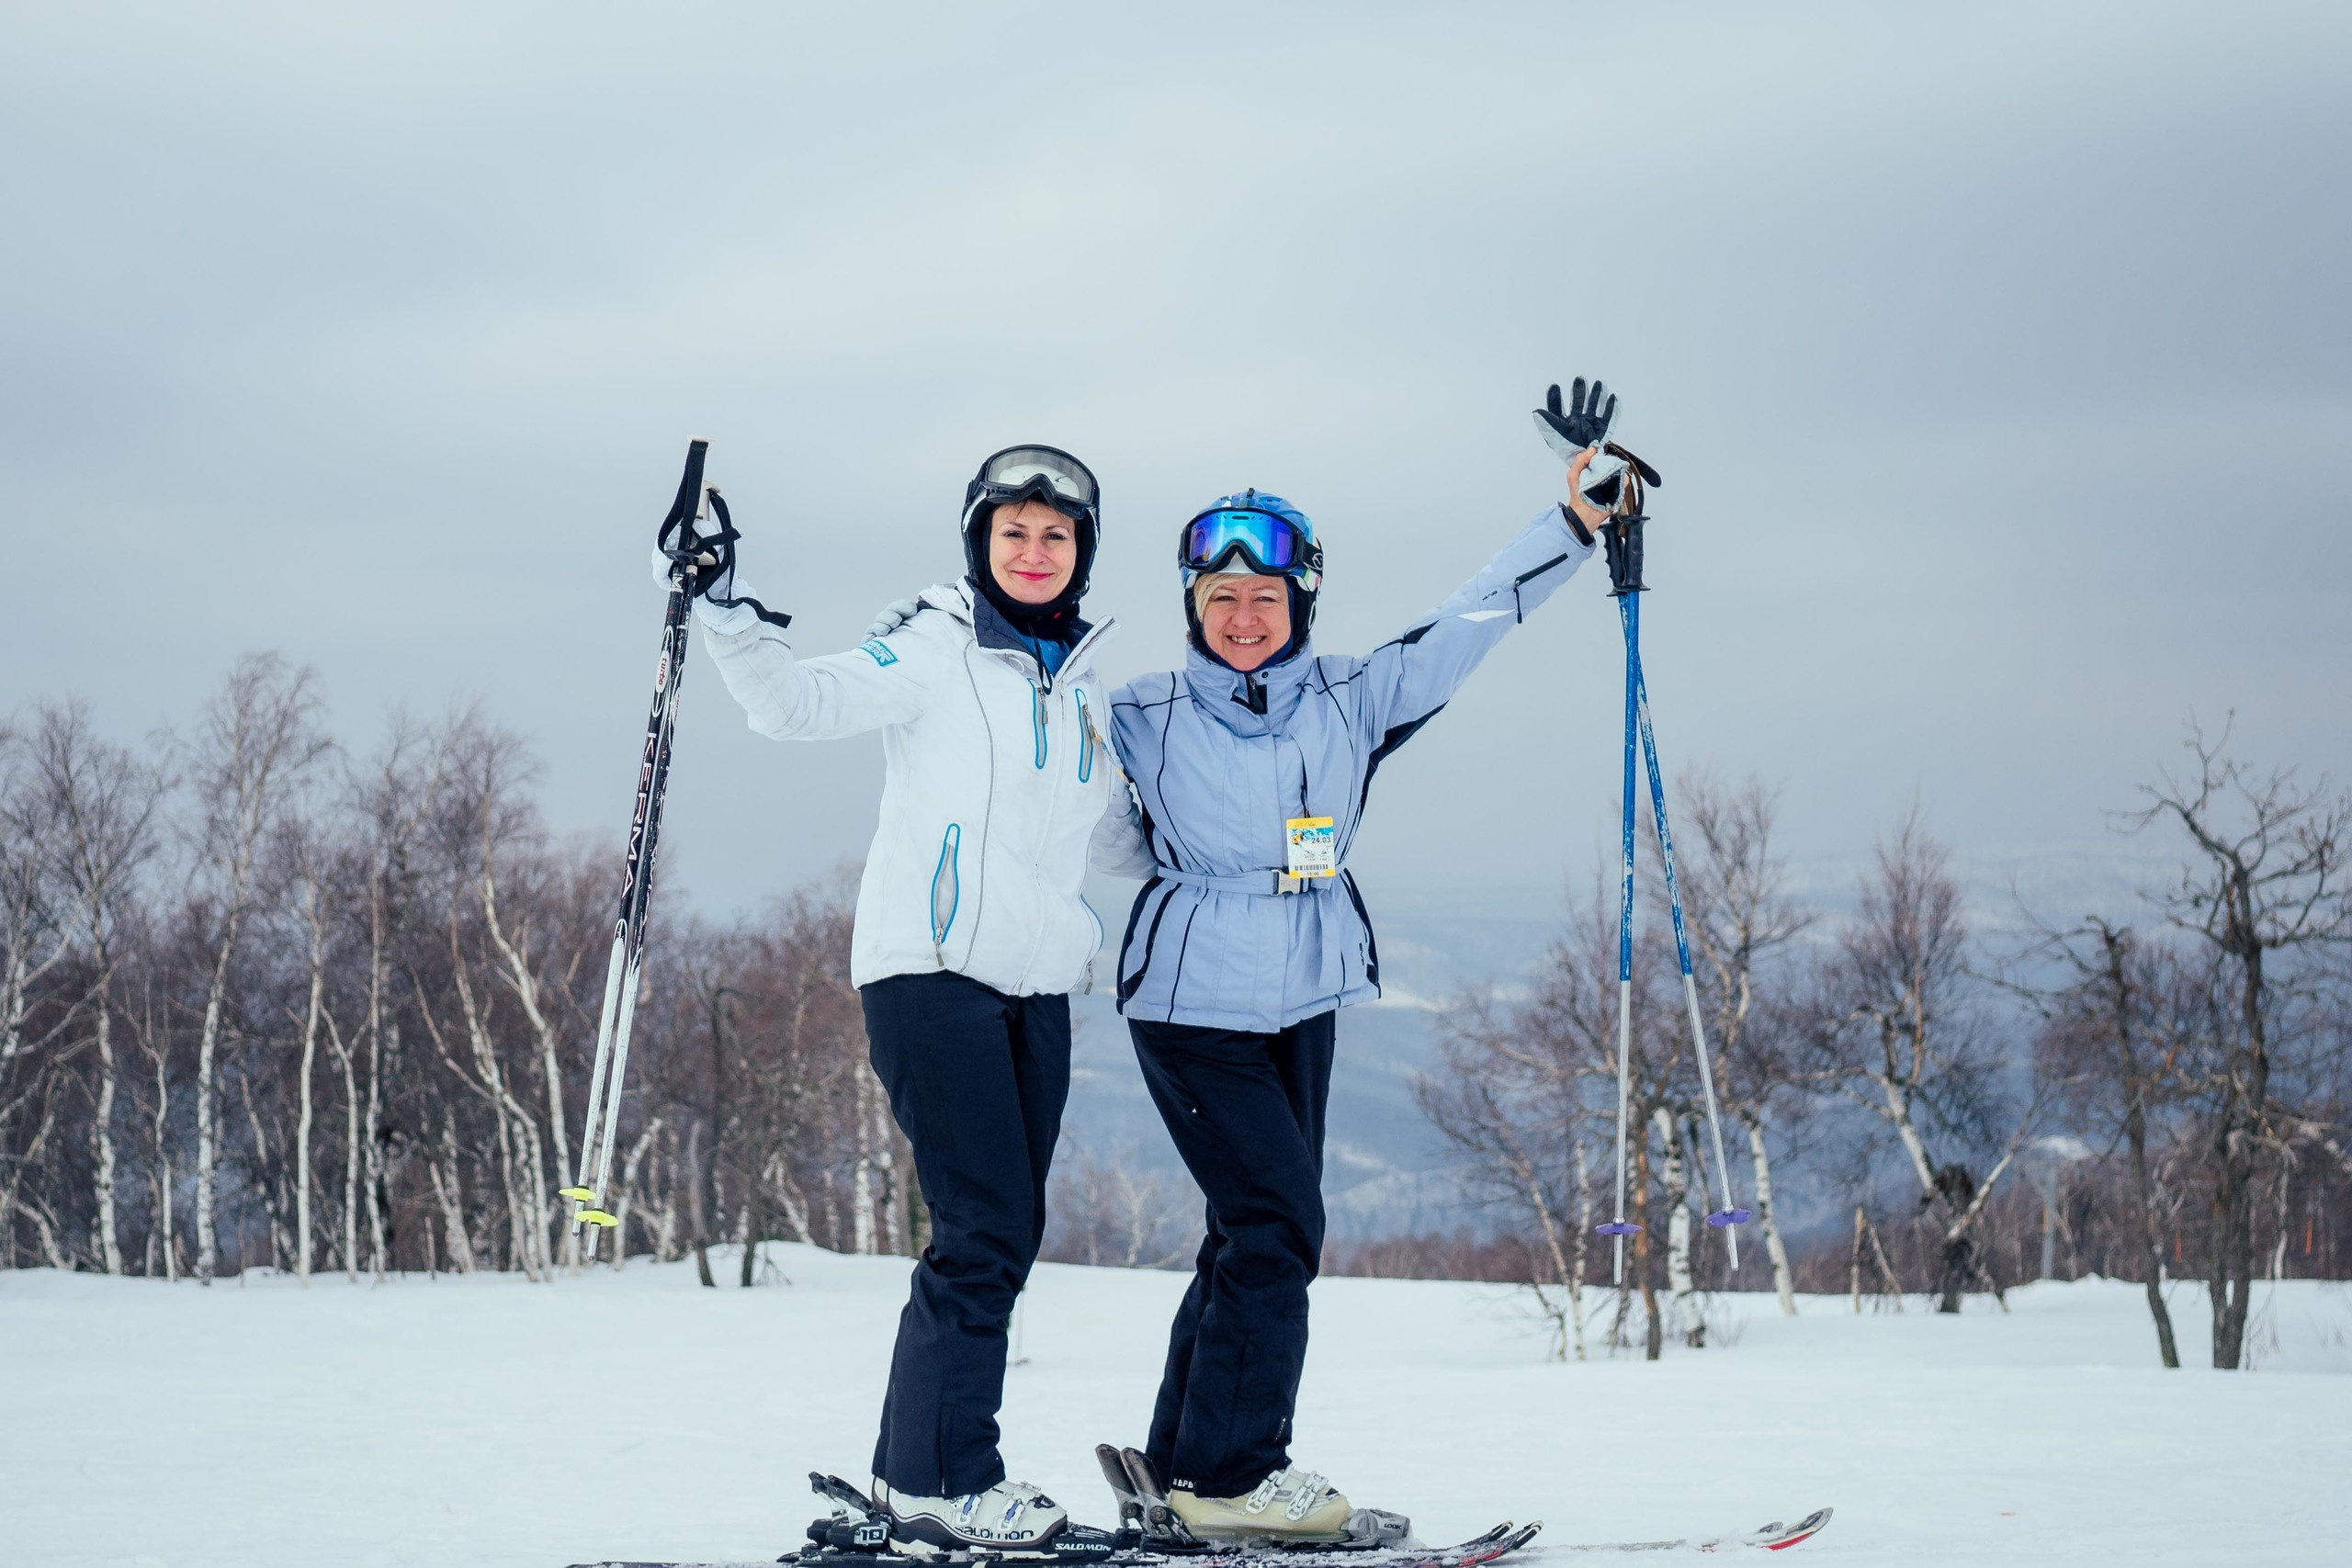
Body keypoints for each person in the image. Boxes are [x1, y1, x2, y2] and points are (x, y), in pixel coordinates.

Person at [1103, 408, 1618, 1542]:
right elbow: (1021, 734)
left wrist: (1572, 526)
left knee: (1248, 1229)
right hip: (1189, 1005)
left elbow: (1468, 621)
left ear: (1301, 605)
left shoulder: (1351, 696)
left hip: (1302, 998)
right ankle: (1236, 1476)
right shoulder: (1137, 713)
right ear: (1193, 607)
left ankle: (1186, 1461)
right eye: (1221, 600)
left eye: (1265, 600)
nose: (1244, 619)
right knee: (1280, 1223)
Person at [674, 444, 1153, 1551]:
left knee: (1003, 1230)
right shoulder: (935, 646)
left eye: (1055, 536)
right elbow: (798, 705)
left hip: (1035, 986)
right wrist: (723, 613)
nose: (1033, 552)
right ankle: (945, 1478)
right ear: (980, 542)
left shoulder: (1079, 682)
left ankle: (915, 1470)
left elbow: (1121, 840)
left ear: (1080, 554)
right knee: (984, 1226)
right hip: (930, 970)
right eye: (1013, 532)